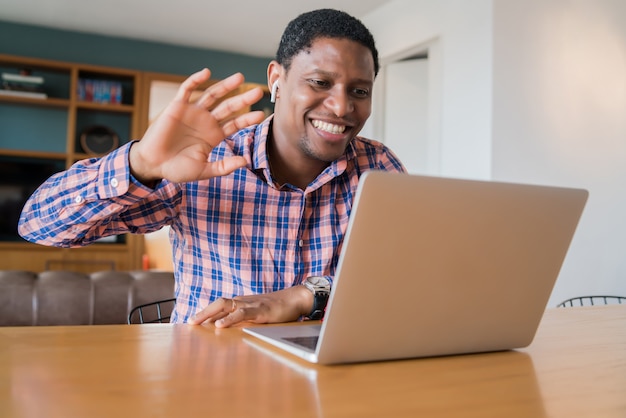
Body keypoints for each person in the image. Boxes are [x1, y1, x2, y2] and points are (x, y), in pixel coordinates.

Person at [18, 8, 406, 327]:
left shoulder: (378, 167)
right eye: (320, 82)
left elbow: (400, 277)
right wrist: (141, 165)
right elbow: (39, 225)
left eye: (359, 91)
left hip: (334, 379)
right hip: (209, 376)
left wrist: (305, 295)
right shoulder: (205, 163)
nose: (342, 107)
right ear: (277, 79)